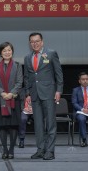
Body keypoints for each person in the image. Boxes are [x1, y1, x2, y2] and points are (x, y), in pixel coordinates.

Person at [24, 32, 63, 160]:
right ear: (30, 44)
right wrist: (28, 93)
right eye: (32, 42)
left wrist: (58, 90)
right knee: (38, 125)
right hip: (35, 95)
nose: (35, 44)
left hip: (49, 93)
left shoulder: (51, 53)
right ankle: (40, 149)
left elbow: (58, 74)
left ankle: (50, 151)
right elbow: (27, 77)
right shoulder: (27, 57)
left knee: (50, 123)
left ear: (42, 42)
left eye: (37, 41)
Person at [0, 42, 23, 159]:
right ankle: (4, 150)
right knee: (2, 126)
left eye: (9, 50)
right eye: (4, 50)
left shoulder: (18, 65)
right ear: (1, 53)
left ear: (12, 51)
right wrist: (3, 93)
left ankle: (11, 150)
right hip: (1, 100)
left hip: (13, 99)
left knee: (13, 125)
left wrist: (11, 94)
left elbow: (20, 82)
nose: (7, 52)